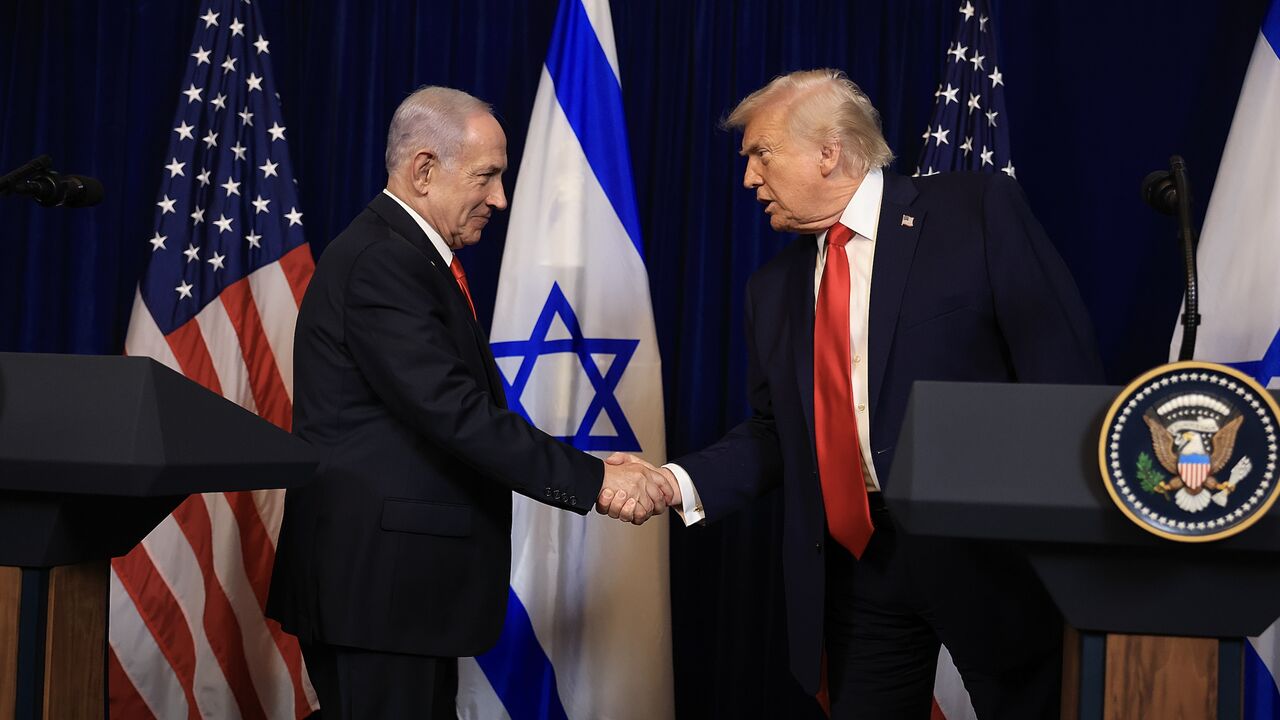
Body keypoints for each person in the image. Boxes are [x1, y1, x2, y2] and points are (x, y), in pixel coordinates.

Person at [609, 69, 1104, 719]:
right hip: (858, 568)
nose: (749, 179)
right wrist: (676, 482)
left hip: (991, 560)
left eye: (761, 154)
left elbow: (1062, 378)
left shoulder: (975, 213)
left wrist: (1072, 543)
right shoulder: (772, 289)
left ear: (828, 151)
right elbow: (776, 433)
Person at [266, 85, 669, 719]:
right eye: (487, 176)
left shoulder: (410, 257)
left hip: (401, 596)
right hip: (377, 595)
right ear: (424, 170)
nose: (500, 198)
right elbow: (454, 412)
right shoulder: (382, 261)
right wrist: (593, 479)